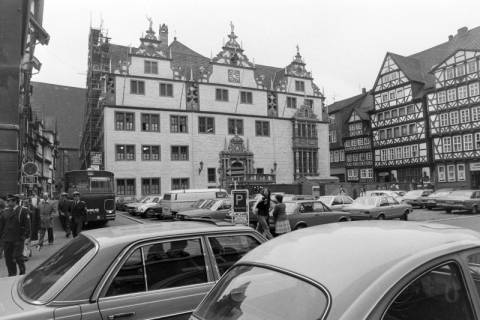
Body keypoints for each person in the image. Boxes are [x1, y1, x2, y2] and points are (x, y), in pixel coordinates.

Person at [0, 194, 31, 276]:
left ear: (15, 201)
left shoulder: (23, 211)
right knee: (8, 259)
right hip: (7, 239)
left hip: (18, 238)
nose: (7, 203)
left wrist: (26, 236)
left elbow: (27, 225)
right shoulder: (5, 212)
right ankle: (12, 274)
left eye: (9, 201)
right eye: (7, 201)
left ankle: (22, 272)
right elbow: (1, 227)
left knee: (17, 256)